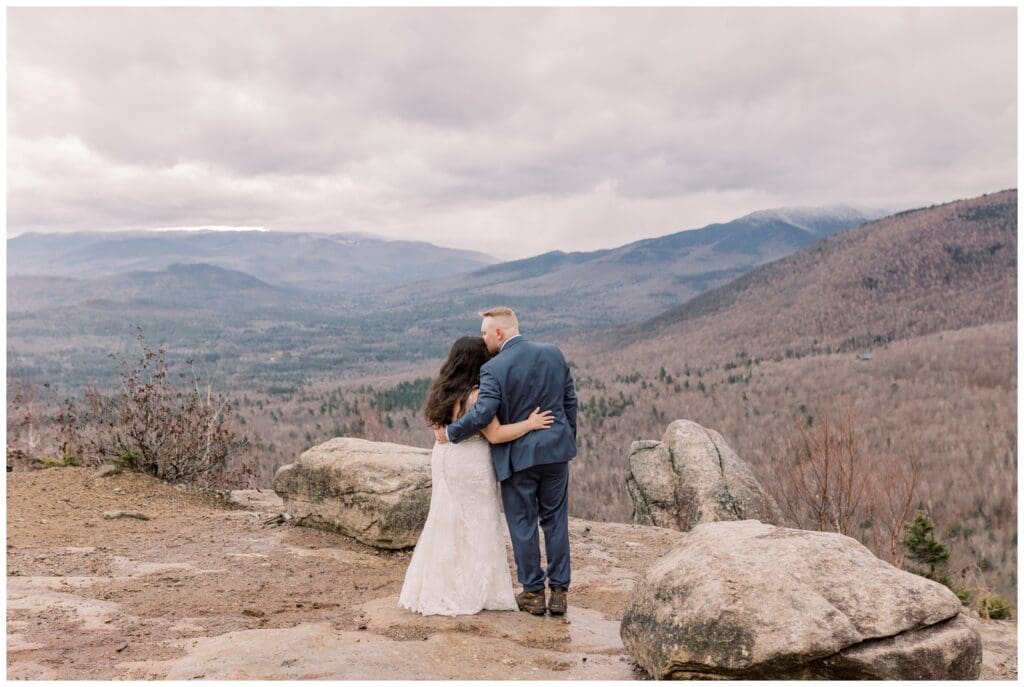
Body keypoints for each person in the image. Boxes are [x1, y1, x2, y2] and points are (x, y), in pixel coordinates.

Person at [437, 307, 578, 616]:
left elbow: (483, 413)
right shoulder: (553, 353)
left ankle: (533, 593)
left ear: (499, 333)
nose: (484, 339)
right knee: (555, 521)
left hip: (518, 455)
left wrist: (452, 432)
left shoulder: (494, 369)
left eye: (486, 333)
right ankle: (559, 593)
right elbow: (570, 400)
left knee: (523, 523)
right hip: (556, 452)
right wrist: (567, 438)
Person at [399, 336, 554, 616]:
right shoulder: (475, 395)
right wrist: (530, 424)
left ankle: (438, 585)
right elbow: (494, 434)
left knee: (445, 518)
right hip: (470, 461)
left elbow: (440, 430)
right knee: (478, 522)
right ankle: (473, 589)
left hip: (444, 458)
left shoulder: (443, 390)